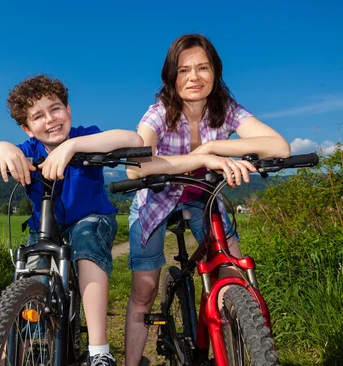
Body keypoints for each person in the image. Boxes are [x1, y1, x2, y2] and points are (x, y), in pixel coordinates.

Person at [123, 33, 290, 366]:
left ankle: (232, 344)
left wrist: (211, 148)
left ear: (215, 72)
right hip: (156, 200)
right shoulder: (158, 112)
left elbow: (279, 146)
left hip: (205, 199)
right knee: (144, 290)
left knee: (232, 276)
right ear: (172, 77)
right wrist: (200, 160)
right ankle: (130, 362)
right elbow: (134, 169)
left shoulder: (226, 109)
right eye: (184, 70)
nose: (194, 77)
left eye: (202, 68)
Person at [0, 74, 144, 366]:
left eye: (56, 109)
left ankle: (99, 351)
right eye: (38, 116)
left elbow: (133, 139)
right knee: (33, 275)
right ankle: (31, 341)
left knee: (86, 243)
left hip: (91, 219)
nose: (50, 119)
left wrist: (72, 147)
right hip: (45, 230)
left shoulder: (86, 137)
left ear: (68, 111)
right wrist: (2, 147)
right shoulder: (28, 151)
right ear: (27, 129)